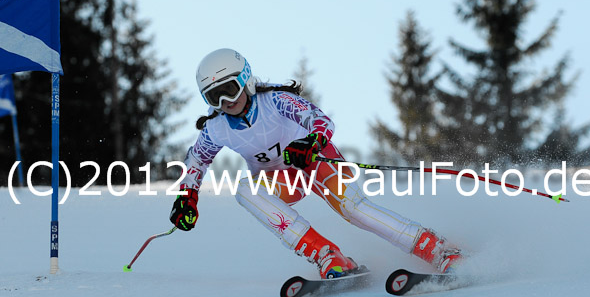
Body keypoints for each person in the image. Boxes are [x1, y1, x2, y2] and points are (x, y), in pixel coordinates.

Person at [169, 48, 462, 279]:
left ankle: (436, 249)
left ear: (245, 78)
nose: (225, 101)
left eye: (230, 89)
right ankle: (327, 255)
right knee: (245, 190)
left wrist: (310, 143)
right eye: (214, 96)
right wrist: (187, 197)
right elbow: (196, 161)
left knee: (352, 209)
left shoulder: (275, 101)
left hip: (316, 161)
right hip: (284, 181)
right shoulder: (216, 127)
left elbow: (321, 120)